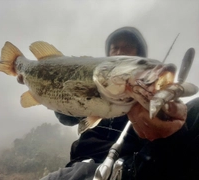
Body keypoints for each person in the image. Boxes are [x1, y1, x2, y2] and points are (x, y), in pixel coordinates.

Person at [41, 27, 199, 180]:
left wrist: (171, 127)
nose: (119, 52)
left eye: (128, 47)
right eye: (114, 48)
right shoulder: (90, 88)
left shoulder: (149, 93)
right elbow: (66, 118)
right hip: (78, 168)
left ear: (139, 56)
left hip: (131, 167)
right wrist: (48, 91)